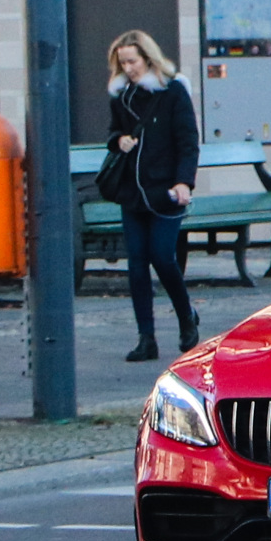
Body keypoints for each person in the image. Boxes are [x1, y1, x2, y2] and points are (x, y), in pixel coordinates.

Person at [105, 30, 199, 361]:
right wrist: (119, 140)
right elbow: (113, 131)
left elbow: (187, 140)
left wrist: (184, 181)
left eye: (132, 61)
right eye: (122, 63)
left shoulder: (172, 91)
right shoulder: (122, 95)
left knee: (163, 256)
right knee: (136, 264)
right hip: (133, 189)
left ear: (147, 58)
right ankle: (146, 337)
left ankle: (186, 316)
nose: (128, 68)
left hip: (166, 189)